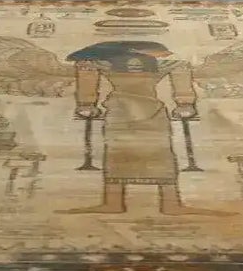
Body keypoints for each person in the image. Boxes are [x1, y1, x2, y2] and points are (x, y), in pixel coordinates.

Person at [65, 40, 198, 215]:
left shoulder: (159, 65)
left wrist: (185, 102)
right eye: (160, 51)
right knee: (117, 154)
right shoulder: (110, 64)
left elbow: (181, 66)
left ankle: (171, 204)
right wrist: (86, 102)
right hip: (122, 112)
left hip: (148, 112)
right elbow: (85, 66)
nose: (166, 54)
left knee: (160, 154)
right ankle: (113, 203)